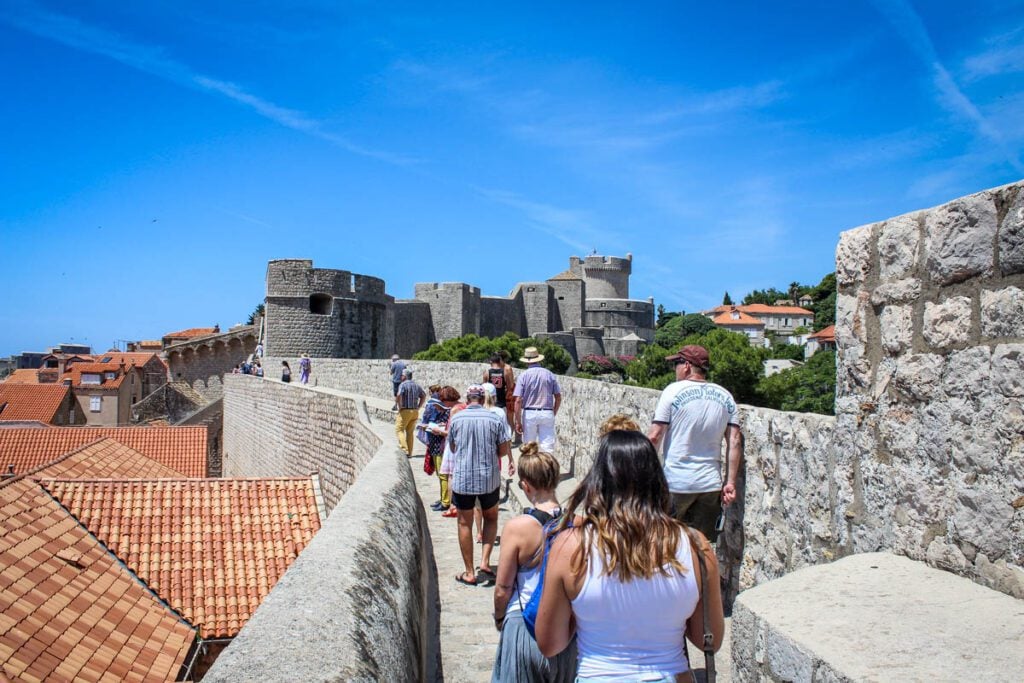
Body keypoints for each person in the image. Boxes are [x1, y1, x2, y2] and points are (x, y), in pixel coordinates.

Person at [535, 429, 725, 682]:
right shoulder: (695, 546)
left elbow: (550, 644)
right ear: (657, 480)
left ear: (598, 481)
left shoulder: (570, 546)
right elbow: (708, 639)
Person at [491, 442, 577, 683]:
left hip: (525, 627)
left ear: (525, 486)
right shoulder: (577, 523)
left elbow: (503, 588)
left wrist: (500, 618)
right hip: (566, 631)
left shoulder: (518, 528)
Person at [646, 345, 741, 543]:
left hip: (676, 483)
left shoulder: (672, 391)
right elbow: (734, 441)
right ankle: (701, 574)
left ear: (687, 366)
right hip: (710, 484)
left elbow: (655, 435)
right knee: (702, 545)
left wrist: (643, 471)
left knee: (664, 542)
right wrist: (730, 482)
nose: (675, 368)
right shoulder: (726, 396)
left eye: (676, 363)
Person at [447, 384, 511, 586]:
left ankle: (469, 571)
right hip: (488, 478)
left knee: (464, 523)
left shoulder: (456, 418)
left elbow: (453, 447)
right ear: (483, 400)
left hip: (463, 479)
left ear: (467, 399)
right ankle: (484, 561)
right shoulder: (494, 418)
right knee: (491, 518)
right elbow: (502, 450)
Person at [513, 347, 561, 453]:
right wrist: (553, 412)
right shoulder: (549, 374)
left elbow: (517, 400)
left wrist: (517, 421)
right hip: (547, 411)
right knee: (547, 446)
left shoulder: (523, 376)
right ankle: (547, 468)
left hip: (529, 413)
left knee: (529, 446)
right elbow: (558, 397)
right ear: (539, 359)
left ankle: (531, 469)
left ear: (527, 362)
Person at [422, 386, 459, 512]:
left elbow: (451, 432)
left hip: (440, 446)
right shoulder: (445, 414)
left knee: (443, 475)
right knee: (440, 474)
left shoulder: (450, 412)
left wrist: (438, 430)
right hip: (436, 445)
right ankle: (443, 498)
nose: (435, 408)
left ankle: (445, 501)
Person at [395, 368, 426, 457]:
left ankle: (404, 450)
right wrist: (419, 407)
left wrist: (400, 406)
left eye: (402, 375)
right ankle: (410, 453)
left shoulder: (403, 385)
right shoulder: (416, 385)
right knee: (410, 432)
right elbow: (423, 395)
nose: (401, 377)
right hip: (415, 411)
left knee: (399, 430)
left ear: (405, 376)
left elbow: (399, 395)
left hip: (405, 411)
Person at [483, 353, 516, 434]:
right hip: (502, 402)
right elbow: (510, 387)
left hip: (489, 403)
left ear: (491, 362)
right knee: (503, 424)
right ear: (499, 361)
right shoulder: (505, 372)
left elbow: (483, 388)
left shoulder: (487, 372)